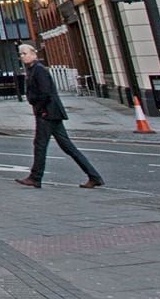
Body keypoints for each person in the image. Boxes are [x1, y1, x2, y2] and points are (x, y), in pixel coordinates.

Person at [14, 42, 103, 189]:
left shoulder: (39, 70)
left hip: (47, 113)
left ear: (34, 54)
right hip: (50, 113)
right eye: (21, 54)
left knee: (40, 145)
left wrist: (42, 110)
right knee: (67, 147)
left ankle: (35, 177)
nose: (22, 56)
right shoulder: (32, 70)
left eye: (25, 53)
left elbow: (45, 92)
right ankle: (94, 176)